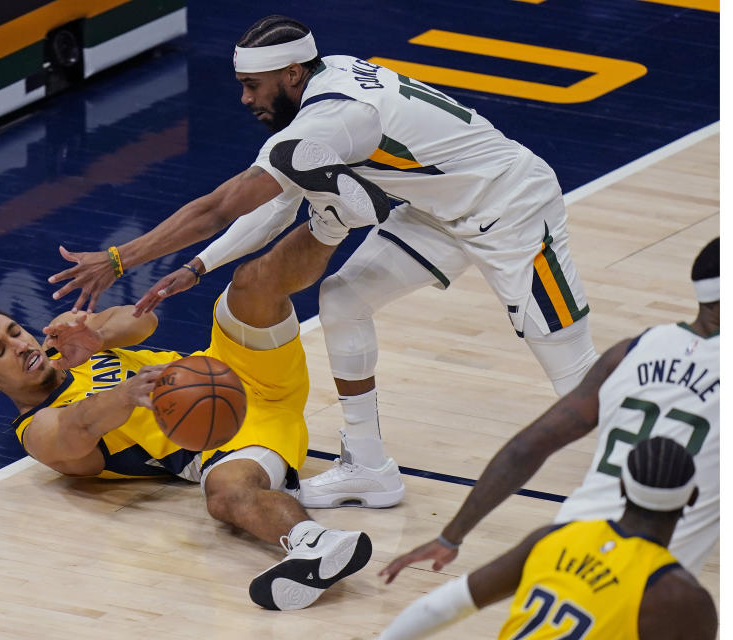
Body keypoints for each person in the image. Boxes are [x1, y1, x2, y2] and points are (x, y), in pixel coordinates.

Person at [47, 15, 598, 510]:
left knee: (568, 363)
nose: (244, 100)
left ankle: (640, 474)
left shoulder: (333, 120)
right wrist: (197, 268)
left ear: (290, 74)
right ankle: (369, 468)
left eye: (251, 86)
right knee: (343, 299)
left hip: (511, 206)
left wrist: (120, 259)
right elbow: (278, 201)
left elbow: (221, 206)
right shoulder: (323, 82)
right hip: (436, 210)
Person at [0, 225, 372, 611]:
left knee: (251, 285)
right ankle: (316, 543)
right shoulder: (35, 430)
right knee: (225, 496)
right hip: (224, 436)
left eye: (14, 331)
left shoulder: (65, 343)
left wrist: (98, 335)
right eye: (0, 351)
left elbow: (142, 321)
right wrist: (126, 394)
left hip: (226, 368)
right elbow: (78, 428)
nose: (19, 346)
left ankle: (332, 218)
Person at [379, 237, 719, 579]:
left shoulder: (630, 351)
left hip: (563, 557)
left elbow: (526, 448)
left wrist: (450, 537)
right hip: (647, 587)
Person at [375, 437, 717, 640]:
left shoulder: (556, 536)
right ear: (692, 497)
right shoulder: (681, 598)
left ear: (623, 486)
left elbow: (441, 604)